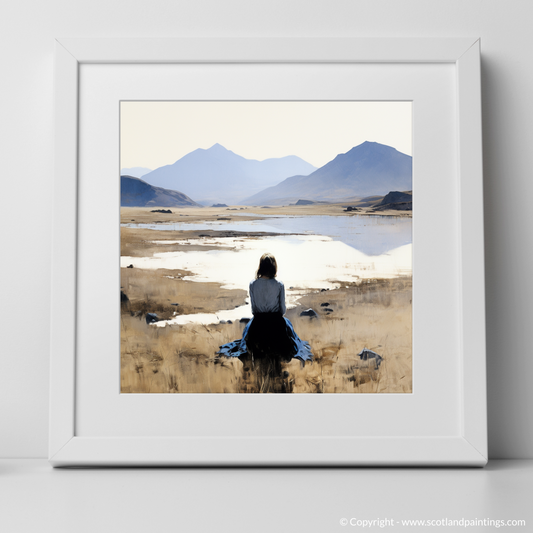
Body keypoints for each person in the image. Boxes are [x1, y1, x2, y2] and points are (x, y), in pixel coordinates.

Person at [217, 253, 313, 364]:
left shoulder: (253, 284)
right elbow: (282, 310)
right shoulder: (279, 284)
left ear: (261, 267)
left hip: (259, 321)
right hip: (276, 322)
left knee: (246, 335)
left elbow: (254, 310)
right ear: (274, 267)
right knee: (292, 336)